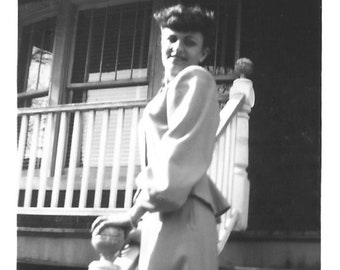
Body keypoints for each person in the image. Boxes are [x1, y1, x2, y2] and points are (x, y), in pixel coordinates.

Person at [92, 4, 229, 270]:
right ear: (161, 42)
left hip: (182, 213)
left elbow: (179, 154)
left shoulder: (196, 78)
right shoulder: (168, 91)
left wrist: (132, 216)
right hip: (167, 212)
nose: (178, 47)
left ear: (204, 53)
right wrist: (142, 224)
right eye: (172, 38)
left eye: (189, 42)